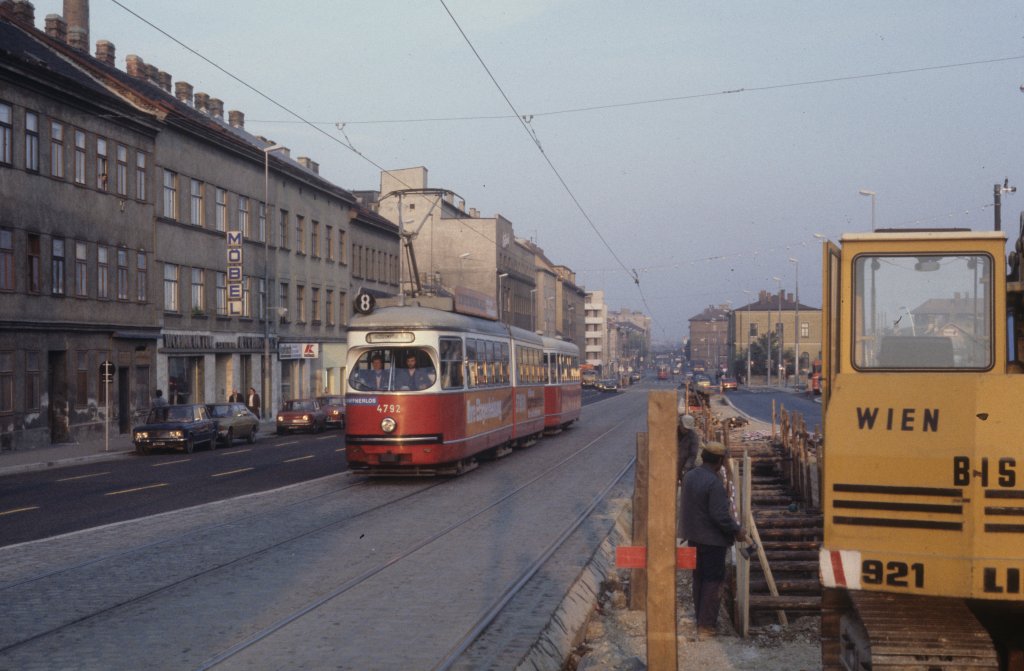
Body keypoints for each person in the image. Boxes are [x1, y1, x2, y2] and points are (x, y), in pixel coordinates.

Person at [681, 441, 749, 640]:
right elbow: (719, 515)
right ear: (719, 461)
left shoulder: (690, 476)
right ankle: (706, 626)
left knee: (699, 579)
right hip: (712, 541)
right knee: (713, 582)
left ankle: (700, 619)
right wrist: (737, 530)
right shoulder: (713, 482)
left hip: (693, 537)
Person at [677, 414, 702, 480]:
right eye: (685, 429)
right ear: (680, 424)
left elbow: (693, 455)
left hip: (685, 465)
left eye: (688, 429)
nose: (686, 431)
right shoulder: (673, 433)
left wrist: (686, 467)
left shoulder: (693, 437)